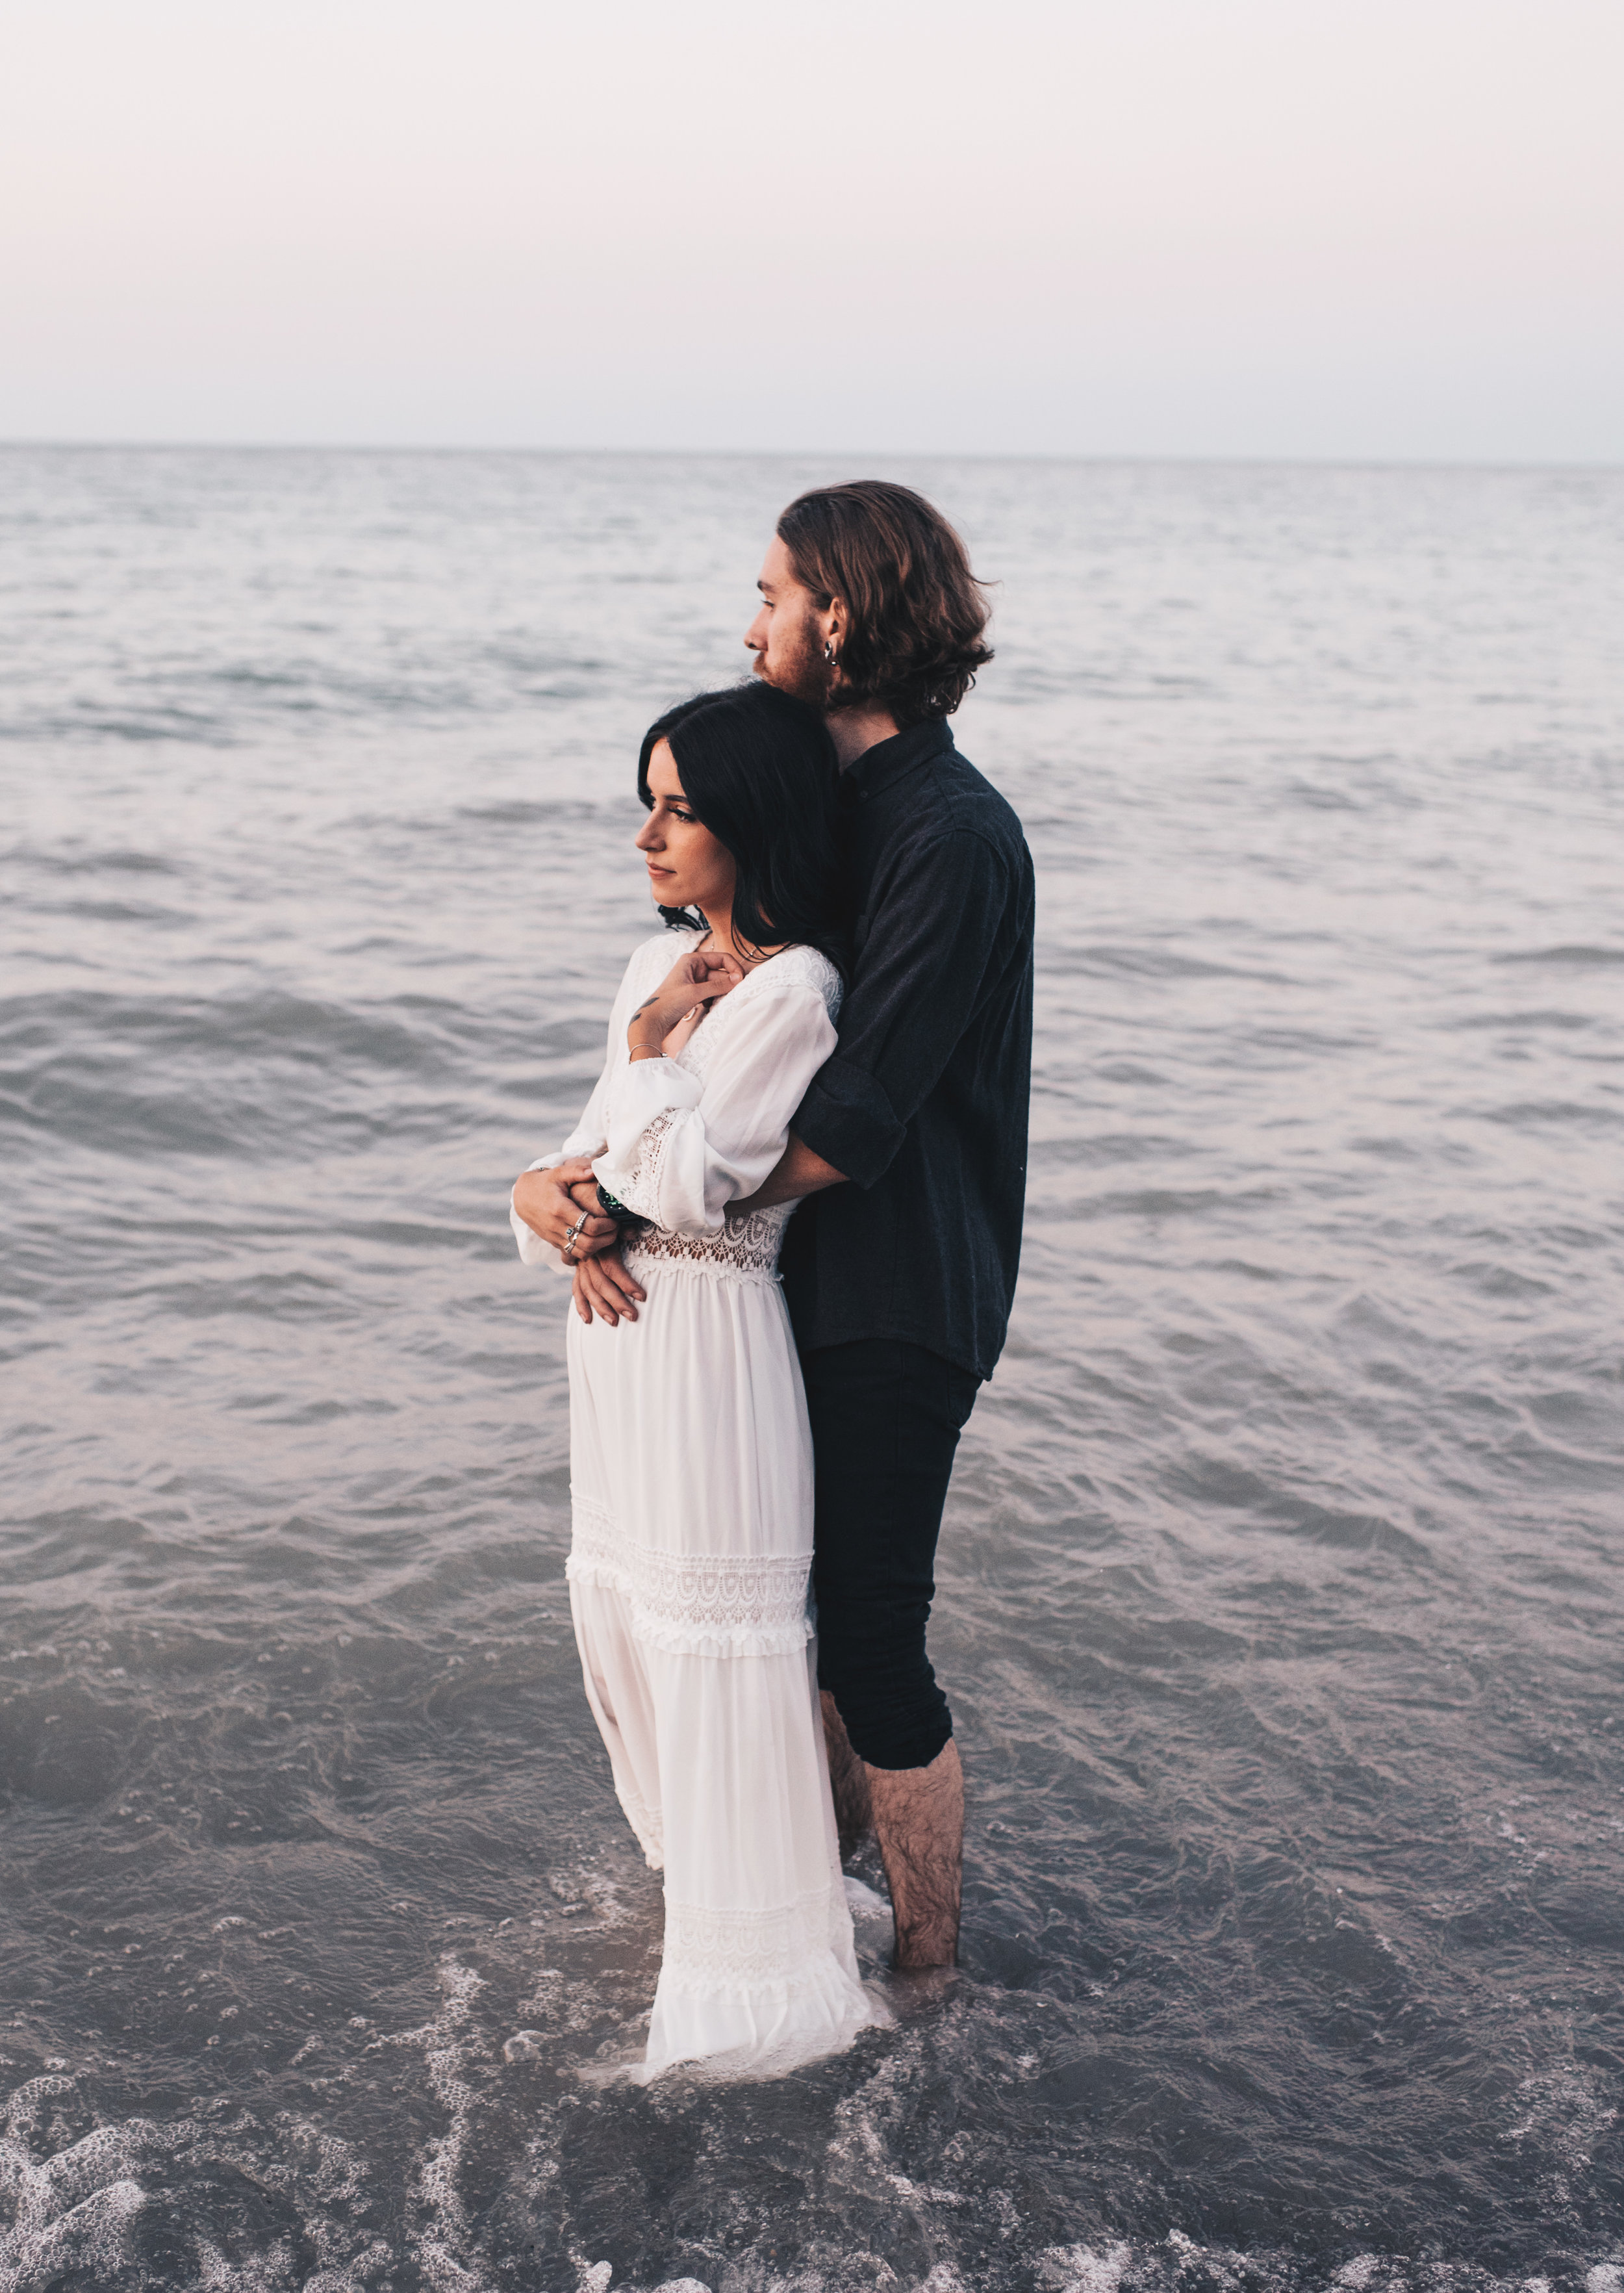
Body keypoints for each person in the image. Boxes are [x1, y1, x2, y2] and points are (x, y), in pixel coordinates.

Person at [561, 482, 1035, 1973]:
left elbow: (848, 1124)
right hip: (795, 1292)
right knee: (796, 1636)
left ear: (838, 616)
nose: (747, 617)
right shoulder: (837, 811)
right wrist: (576, 1176)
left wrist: (637, 1201)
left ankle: (931, 1969)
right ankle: (803, 1923)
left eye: (768, 592)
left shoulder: (949, 834)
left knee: (875, 1639)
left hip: (900, 1290)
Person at [510, 680, 887, 2081]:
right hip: (617, 1350)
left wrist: (642, 1059)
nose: (647, 838)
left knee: (717, 1639)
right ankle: (697, 1906)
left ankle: (760, 1994)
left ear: (754, 818)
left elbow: (685, 1177)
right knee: (631, 1620)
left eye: (677, 808)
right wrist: (544, 1213)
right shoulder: (648, 970)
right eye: (644, 805)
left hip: (715, 1352)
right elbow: (570, 1169)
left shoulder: (796, 990)